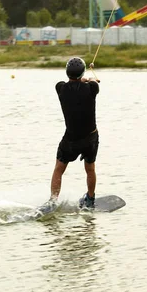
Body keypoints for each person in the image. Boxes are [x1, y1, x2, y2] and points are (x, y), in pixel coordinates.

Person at [48, 57, 100, 210]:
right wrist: (89, 77)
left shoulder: (60, 88)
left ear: (67, 73)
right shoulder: (92, 88)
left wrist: (83, 78)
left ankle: (53, 200)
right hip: (90, 137)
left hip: (71, 139)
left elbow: (77, 81)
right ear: (82, 72)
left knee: (59, 168)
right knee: (90, 169)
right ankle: (90, 199)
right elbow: (92, 81)